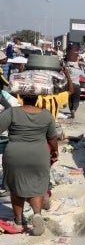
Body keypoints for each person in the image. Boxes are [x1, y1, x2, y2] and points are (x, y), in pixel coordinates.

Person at [0, 92, 58, 236]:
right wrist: (55, 152)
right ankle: (37, 214)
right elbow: (52, 139)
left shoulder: (12, 112)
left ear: (21, 98)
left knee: (16, 187)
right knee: (37, 186)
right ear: (38, 98)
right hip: (39, 155)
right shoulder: (46, 115)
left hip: (15, 154)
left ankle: (19, 222)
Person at [64, 45, 84, 119]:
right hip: (76, 86)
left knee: (70, 98)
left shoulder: (66, 67)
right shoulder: (78, 69)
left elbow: (62, 74)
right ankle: (73, 109)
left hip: (68, 85)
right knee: (76, 99)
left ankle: (70, 109)